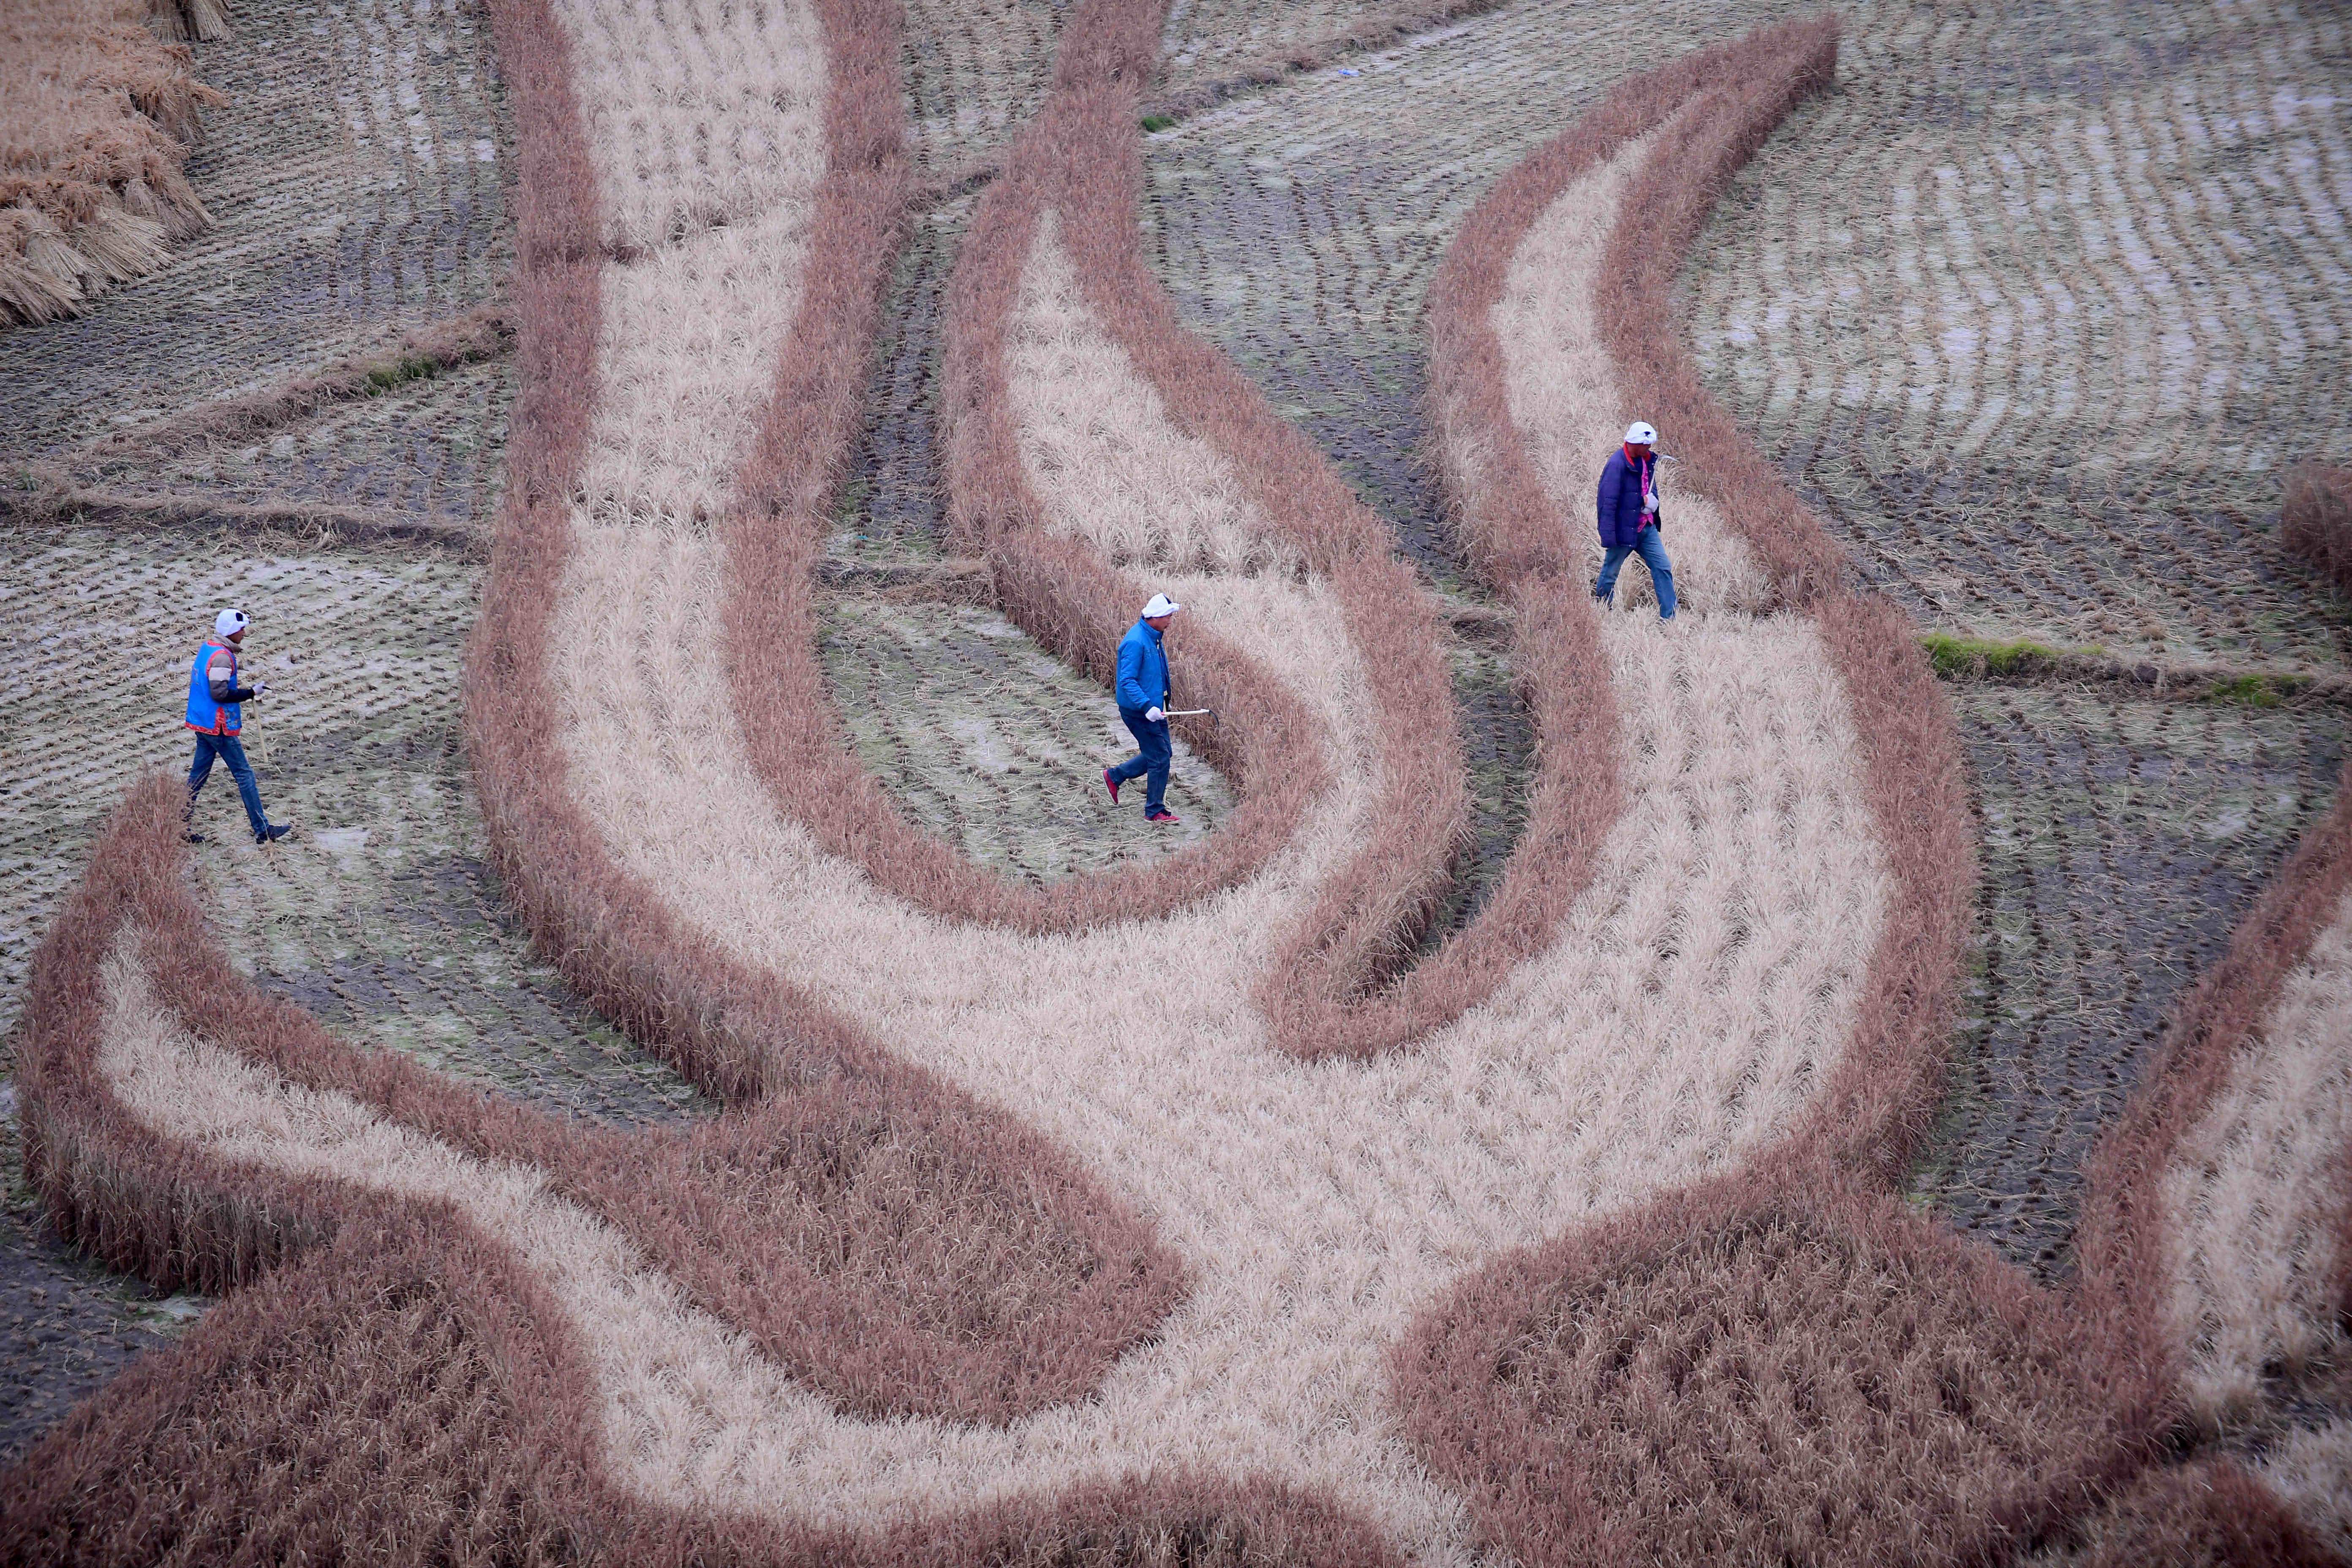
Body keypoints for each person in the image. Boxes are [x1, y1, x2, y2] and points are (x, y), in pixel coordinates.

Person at [185, 608, 293, 846]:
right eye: (241, 629)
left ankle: (177, 826)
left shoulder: (208, 649)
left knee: (197, 777)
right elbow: (220, 693)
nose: (244, 633)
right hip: (218, 726)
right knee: (245, 774)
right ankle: (262, 830)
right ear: (231, 632)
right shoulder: (222, 657)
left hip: (202, 722)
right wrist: (251, 693)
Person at [1102, 593, 1184, 825]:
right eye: (1168, 616)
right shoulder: (1136, 642)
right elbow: (1127, 681)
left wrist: (1161, 701)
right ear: (1155, 617)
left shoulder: (1154, 637)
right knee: (1159, 758)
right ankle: (1154, 811)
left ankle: (1115, 776)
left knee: (1161, 753)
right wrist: (1148, 706)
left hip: (1155, 708)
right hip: (1139, 712)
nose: (1170, 620)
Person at [1594, 419, 1676, 621]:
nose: (1649, 448)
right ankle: (1602, 612)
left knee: (1663, 567)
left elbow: (1650, 486)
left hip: (1646, 528)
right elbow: (1608, 502)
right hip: (1624, 530)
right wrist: (1609, 537)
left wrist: (1653, 504)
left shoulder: (1647, 460)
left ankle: (1670, 618)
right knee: (1611, 573)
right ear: (1633, 443)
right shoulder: (1616, 465)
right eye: (1646, 445)